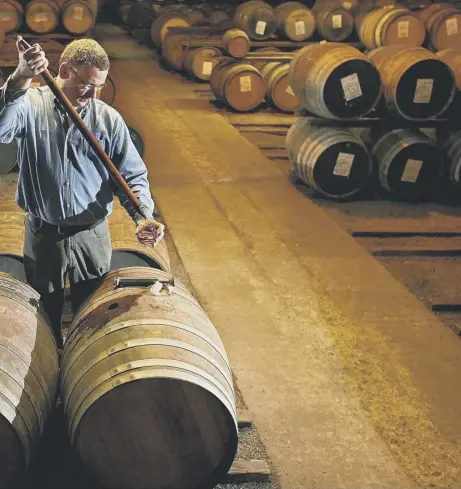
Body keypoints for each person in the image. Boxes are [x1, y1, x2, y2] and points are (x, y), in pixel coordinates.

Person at [0, 36, 165, 349]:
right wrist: (21, 76)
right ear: (64, 69)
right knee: (42, 319)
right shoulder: (31, 106)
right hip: (43, 234)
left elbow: (132, 175)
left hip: (92, 236)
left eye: (99, 86)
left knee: (92, 315)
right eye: (87, 84)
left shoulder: (108, 120)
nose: (92, 94)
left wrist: (143, 214)